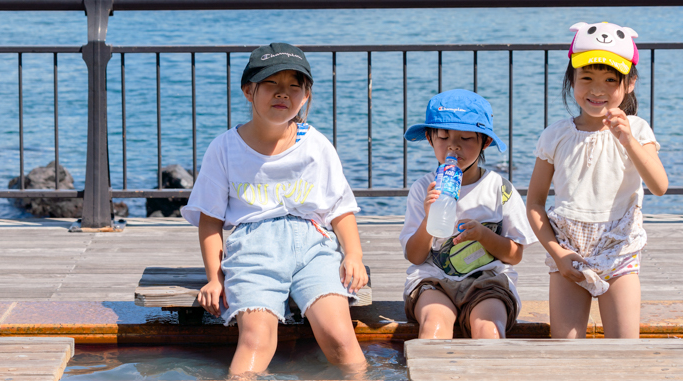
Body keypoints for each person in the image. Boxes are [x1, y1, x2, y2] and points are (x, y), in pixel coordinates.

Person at [181, 42, 368, 377]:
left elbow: (340, 209)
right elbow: (210, 220)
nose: (284, 94)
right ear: (248, 91)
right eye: (272, 84)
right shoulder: (224, 148)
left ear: (306, 96)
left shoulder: (316, 145)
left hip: (314, 247)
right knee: (256, 340)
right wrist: (214, 276)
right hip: (254, 249)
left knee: (340, 338)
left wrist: (352, 254)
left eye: (294, 86)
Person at [526, 22, 669, 339]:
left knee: (623, 351)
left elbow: (660, 186)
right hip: (568, 253)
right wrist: (557, 253)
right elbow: (534, 202)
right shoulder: (556, 135)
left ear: (629, 84)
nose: (597, 89)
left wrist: (627, 139)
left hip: (620, 252)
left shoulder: (638, 130)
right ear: (572, 80)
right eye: (586, 78)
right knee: (566, 351)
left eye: (610, 80)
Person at [400, 89, 538, 340]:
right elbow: (415, 256)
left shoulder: (500, 189)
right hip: (433, 281)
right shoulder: (423, 188)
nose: (453, 145)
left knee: (489, 329)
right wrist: (428, 220)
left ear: (485, 141)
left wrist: (484, 236)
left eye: (465, 138)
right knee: (435, 327)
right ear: (430, 139)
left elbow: (515, 255)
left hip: (489, 282)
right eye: (443, 137)